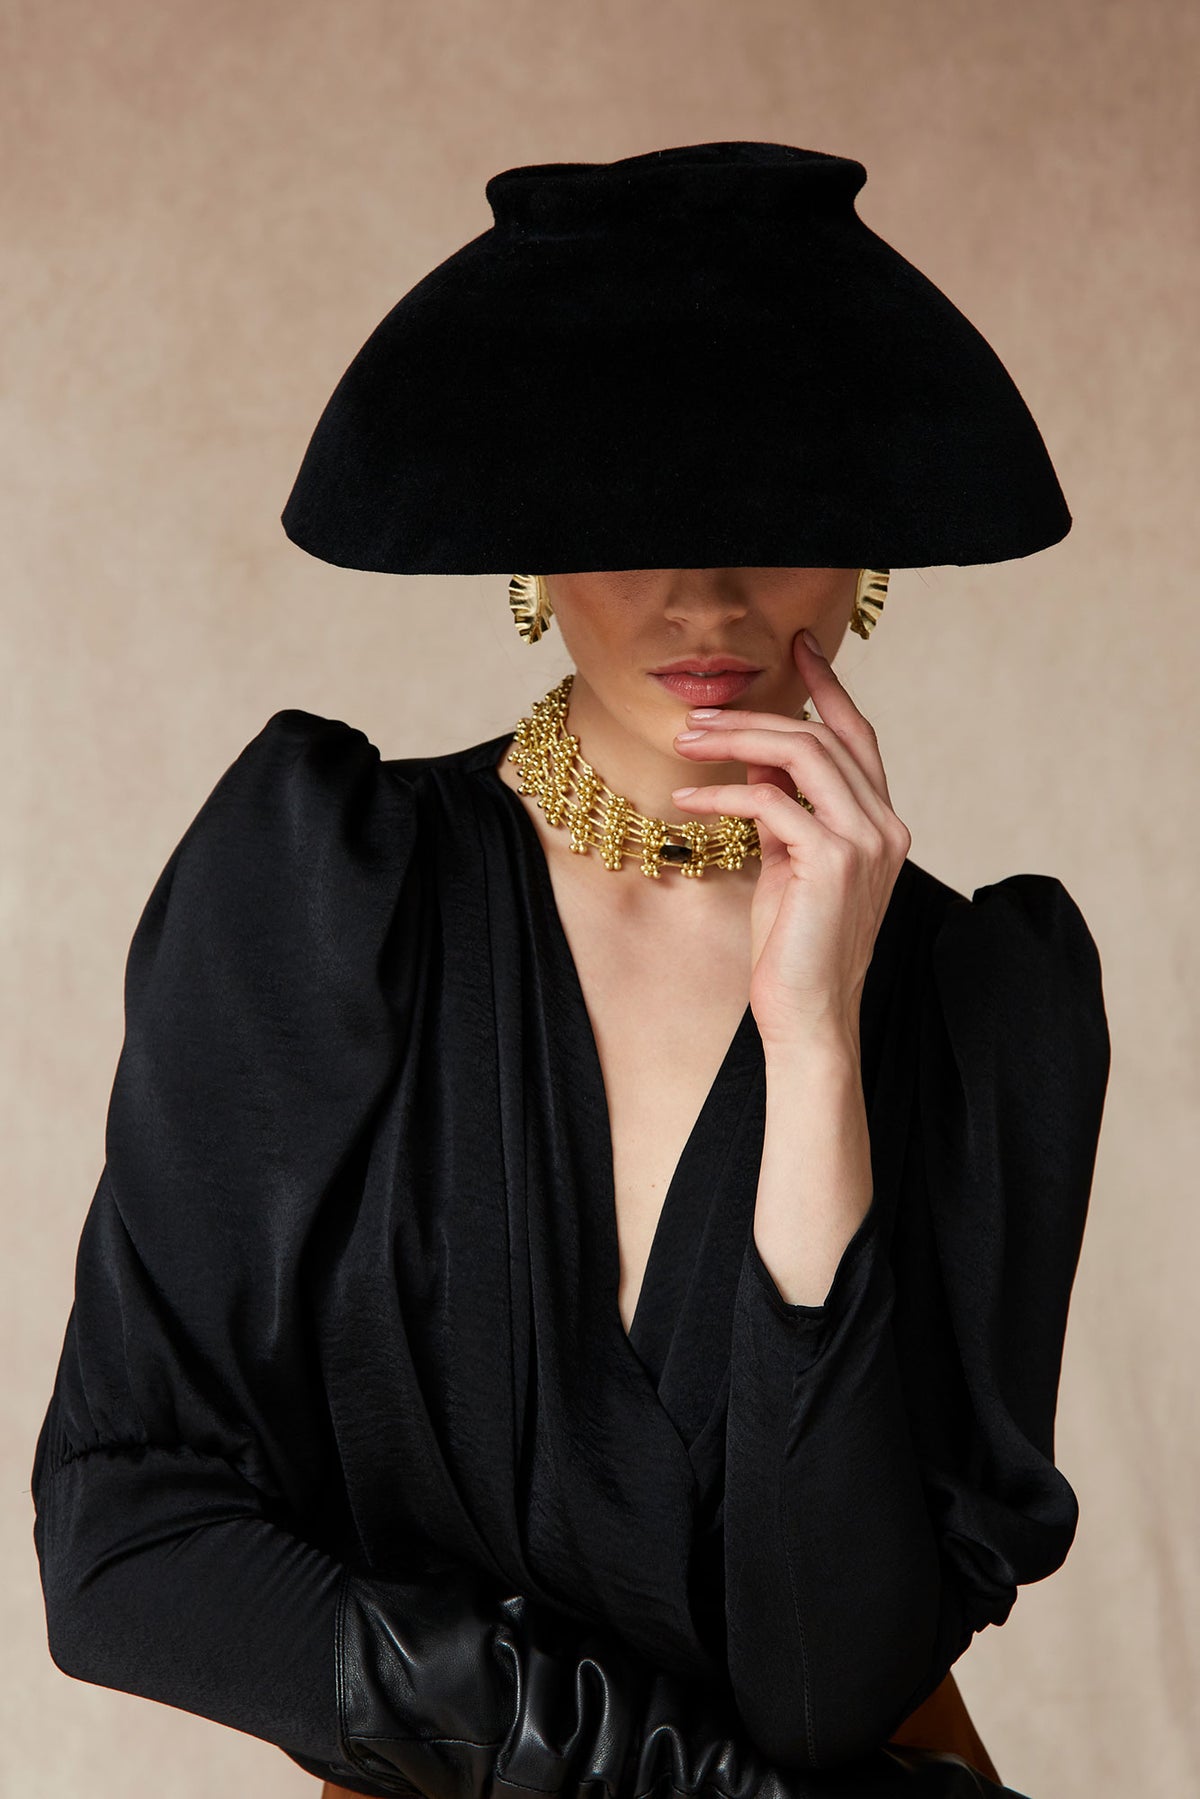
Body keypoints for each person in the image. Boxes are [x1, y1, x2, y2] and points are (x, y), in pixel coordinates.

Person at [30, 143, 1111, 1799]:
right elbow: (120, 1540)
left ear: (872, 546)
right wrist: (619, 1767)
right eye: (626, 517)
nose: (702, 596)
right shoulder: (320, 893)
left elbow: (827, 1682)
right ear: (528, 544)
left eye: (776, 517)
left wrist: (815, 1044)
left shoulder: (984, 1009)